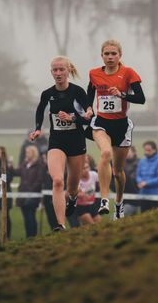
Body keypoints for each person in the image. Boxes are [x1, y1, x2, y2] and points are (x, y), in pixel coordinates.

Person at [29, 56, 91, 232]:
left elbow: (88, 119)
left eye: (61, 70)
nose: (58, 73)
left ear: (68, 70)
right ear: (51, 72)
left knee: (72, 187)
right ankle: (60, 224)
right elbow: (40, 110)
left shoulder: (78, 92)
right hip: (57, 141)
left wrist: (72, 117)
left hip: (77, 142)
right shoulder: (47, 94)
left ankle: (72, 198)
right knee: (57, 181)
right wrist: (38, 129)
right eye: (54, 70)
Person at [87, 39, 145, 220]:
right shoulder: (94, 73)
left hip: (121, 126)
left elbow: (141, 99)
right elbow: (90, 93)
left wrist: (122, 94)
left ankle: (119, 204)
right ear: (102, 56)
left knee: (118, 172)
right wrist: (89, 108)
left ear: (120, 56)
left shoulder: (128, 73)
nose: (110, 57)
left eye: (114, 54)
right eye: (107, 54)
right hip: (102, 123)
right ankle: (104, 200)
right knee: (105, 154)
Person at [13, 145, 46, 238]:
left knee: (31, 215)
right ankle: (29, 236)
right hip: (22, 194)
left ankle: (32, 235)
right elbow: (17, 172)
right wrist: (10, 167)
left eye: (28, 152)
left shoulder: (39, 165)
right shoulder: (24, 164)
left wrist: (31, 190)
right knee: (26, 217)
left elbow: (40, 180)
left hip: (33, 195)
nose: (26, 154)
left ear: (33, 153)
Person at [136, 141, 158, 213]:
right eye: (145, 150)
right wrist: (140, 182)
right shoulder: (142, 161)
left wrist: (146, 183)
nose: (146, 152)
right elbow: (138, 175)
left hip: (156, 195)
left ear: (154, 150)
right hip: (143, 195)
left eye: (149, 150)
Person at [76, 155, 101, 226]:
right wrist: (80, 194)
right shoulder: (77, 180)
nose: (86, 170)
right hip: (81, 207)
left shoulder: (93, 174)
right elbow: (75, 193)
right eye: (83, 168)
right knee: (91, 226)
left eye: (87, 167)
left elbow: (102, 182)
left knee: (99, 224)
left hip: (92, 205)